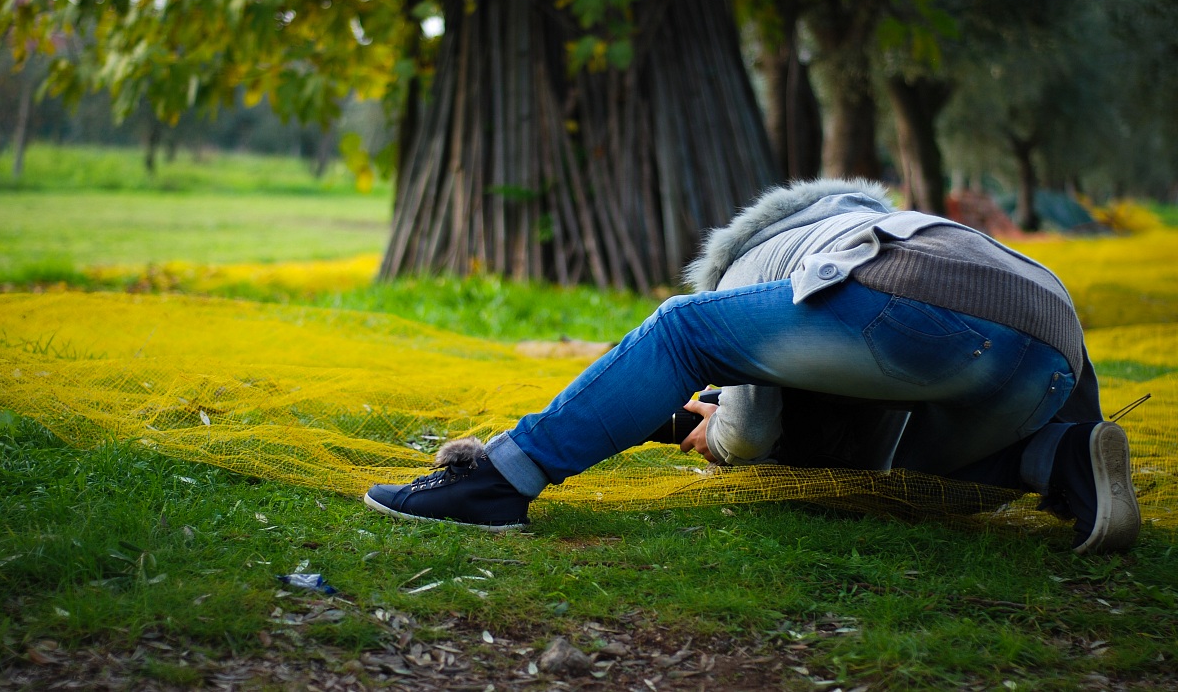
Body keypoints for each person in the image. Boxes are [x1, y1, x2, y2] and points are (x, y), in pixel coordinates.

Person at [365, 179, 1141, 554]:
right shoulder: (885, 218)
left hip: (921, 305)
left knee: (677, 331)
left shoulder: (748, 264)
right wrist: (1075, 422)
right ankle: (1062, 459)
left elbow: (752, 426)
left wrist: (717, 434)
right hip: (1050, 332)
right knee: (908, 478)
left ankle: (498, 480)